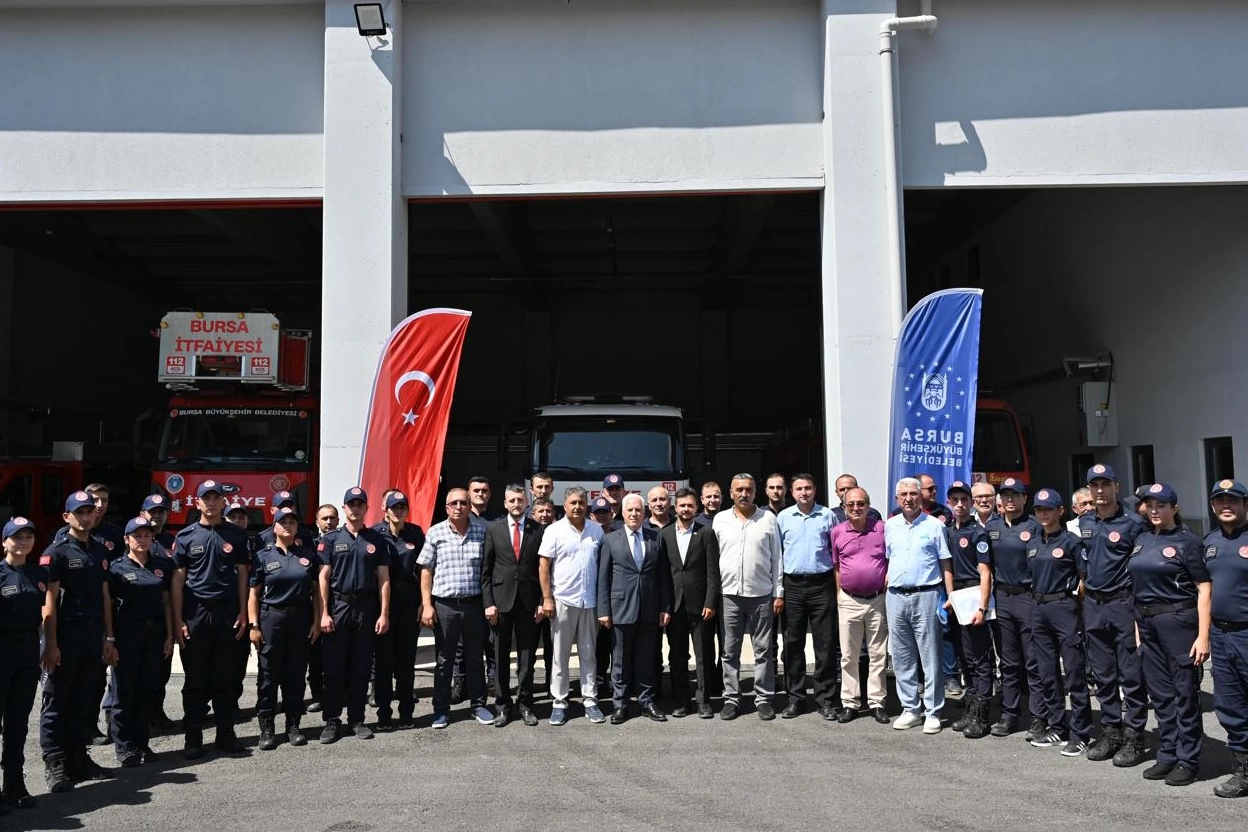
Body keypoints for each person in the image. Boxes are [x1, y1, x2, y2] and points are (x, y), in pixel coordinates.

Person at [1129, 483, 1210, 787]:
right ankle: (1168, 753)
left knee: (1184, 693)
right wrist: (1138, 630)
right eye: (1149, 505)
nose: (1154, 510)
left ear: (1174, 508)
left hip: (1178, 622)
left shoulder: (1188, 541)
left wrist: (1203, 636)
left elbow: (1204, 587)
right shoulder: (1142, 538)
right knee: (1161, 695)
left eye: (1161, 505)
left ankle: (1188, 759)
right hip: (1147, 623)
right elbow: (1137, 588)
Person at [40, 491, 118, 791]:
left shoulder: (98, 550)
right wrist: (50, 642)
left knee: (84, 699)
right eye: (79, 512)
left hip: (93, 634)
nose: (86, 517)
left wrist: (109, 636)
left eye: (89, 511)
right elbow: (49, 600)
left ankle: (77, 758)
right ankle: (55, 763)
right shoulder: (56, 552)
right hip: (66, 635)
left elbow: (105, 596)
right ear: (67, 517)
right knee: (56, 700)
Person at [171, 480, 251, 760]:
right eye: (206, 498)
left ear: (223, 502)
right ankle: (193, 735)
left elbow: (243, 575)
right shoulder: (185, 536)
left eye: (216, 497)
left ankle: (225, 734)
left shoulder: (236, 535)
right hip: (195, 614)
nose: (212, 502)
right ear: (197, 503)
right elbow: (178, 580)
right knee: (195, 678)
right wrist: (178, 619)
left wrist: (243, 612)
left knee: (224, 676)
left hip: (227, 613)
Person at [1080, 464, 1151, 767]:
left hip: (1123, 605)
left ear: (1116, 487)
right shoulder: (1084, 522)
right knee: (1103, 674)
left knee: (1131, 675)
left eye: (1105, 484)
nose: (1100, 490)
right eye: (1094, 485)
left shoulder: (1134, 524)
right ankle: (1112, 731)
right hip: (1094, 605)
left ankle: (1135, 736)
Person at [317, 487, 392, 743]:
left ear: (366, 508)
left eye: (360, 504)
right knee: (334, 668)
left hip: (366, 608)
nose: (355, 508)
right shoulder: (330, 539)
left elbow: (384, 578)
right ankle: (332, 720)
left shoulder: (376, 540)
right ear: (344, 508)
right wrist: (324, 613)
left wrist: (384, 614)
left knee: (361, 667)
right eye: (351, 504)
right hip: (339, 607)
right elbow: (323, 578)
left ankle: (357, 719)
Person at [883, 477, 953, 734]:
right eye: (904, 494)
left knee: (930, 656)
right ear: (897, 499)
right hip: (896, 596)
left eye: (913, 493)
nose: (909, 498)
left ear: (920, 496)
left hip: (927, 594)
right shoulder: (890, 526)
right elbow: (889, 559)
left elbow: (945, 562)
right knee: (902, 656)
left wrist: (950, 595)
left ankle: (933, 711)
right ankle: (910, 709)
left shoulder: (935, 525)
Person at [1026, 489, 1093, 757]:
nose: (1043, 514)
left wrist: (1076, 607)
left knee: (1074, 672)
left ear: (1060, 511)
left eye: (1048, 509)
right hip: (1038, 607)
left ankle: (1080, 733)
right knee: (1047, 673)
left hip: (1064, 607)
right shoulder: (1032, 543)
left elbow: (1084, 579)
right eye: (1039, 509)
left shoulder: (1072, 542)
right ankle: (1057, 726)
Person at [248, 507, 321, 750]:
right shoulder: (263, 556)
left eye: (292, 522)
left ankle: (293, 725)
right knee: (269, 675)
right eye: (283, 522)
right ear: (274, 527)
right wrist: (254, 625)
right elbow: (253, 595)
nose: (288, 525)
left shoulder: (308, 555)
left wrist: (316, 621)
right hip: (272, 618)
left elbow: (317, 593)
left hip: (300, 618)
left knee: (295, 674)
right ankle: (267, 728)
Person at [597, 494, 673, 723]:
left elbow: (663, 576)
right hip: (620, 609)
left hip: (649, 609)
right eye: (629, 510)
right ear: (622, 513)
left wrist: (665, 607)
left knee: (646, 659)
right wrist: (604, 610)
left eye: (638, 510)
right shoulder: (610, 539)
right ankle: (620, 704)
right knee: (620, 661)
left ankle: (646, 701)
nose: (634, 514)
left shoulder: (655, 538)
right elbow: (603, 578)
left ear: (644, 513)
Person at [713, 474, 783, 721]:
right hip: (728, 595)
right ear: (730, 493)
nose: (744, 494)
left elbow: (777, 558)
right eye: (739, 490)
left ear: (755, 492)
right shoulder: (720, 520)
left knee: (763, 650)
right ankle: (732, 698)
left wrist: (778, 592)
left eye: (749, 490)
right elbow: (713, 559)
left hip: (761, 594)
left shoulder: (768, 519)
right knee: (729, 650)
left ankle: (763, 699)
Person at [420, 487, 490, 729]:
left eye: (463, 502)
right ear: (446, 507)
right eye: (454, 503)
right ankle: (440, 710)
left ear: (470, 506)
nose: (458, 507)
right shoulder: (435, 532)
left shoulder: (482, 531)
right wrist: (427, 605)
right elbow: (426, 570)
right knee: (444, 660)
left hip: (474, 605)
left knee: (475, 657)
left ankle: (479, 705)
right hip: (445, 606)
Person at [107, 517, 173, 766]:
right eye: (137, 536)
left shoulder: (161, 566)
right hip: (127, 634)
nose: (142, 540)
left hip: (154, 634)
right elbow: (108, 606)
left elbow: (166, 602)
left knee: (146, 691)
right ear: (127, 539)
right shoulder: (116, 568)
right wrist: (109, 639)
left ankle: (142, 743)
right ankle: (124, 747)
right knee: (124, 692)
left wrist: (169, 635)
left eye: (147, 535)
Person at [984, 478, 1046, 739]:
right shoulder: (992, 526)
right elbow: (985, 565)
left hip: (1027, 597)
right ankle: (1009, 714)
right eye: (1005, 495)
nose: (1010, 499)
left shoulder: (1035, 526)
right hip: (1002, 598)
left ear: (1024, 498)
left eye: (1015, 495)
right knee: (1008, 662)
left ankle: (1039, 717)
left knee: (1033, 661)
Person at [538, 487, 605, 726]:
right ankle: (559, 702)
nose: (577, 506)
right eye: (573, 502)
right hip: (563, 601)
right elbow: (543, 566)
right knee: (560, 655)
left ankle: (590, 700)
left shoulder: (596, 530)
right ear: (564, 505)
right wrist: (547, 598)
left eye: (581, 502)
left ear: (587, 505)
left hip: (590, 602)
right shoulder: (554, 531)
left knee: (589, 653)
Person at [0, 517, 54, 811]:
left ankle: (14, 784)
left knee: (18, 722)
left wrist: (48, 645)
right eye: (17, 537)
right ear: (4, 542)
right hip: (3, 650)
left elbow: (45, 614)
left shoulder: (37, 573)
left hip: (27, 652)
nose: (23, 542)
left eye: (28, 537)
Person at [776, 474, 838, 720]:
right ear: (791, 492)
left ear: (815, 490)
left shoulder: (827, 515)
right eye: (799, 488)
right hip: (792, 585)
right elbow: (777, 556)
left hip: (822, 584)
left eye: (808, 488)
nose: (804, 492)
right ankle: (796, 699)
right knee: (793, 643)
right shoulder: (783, 517)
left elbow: (836, 551)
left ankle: (825, 700)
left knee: (825, 644)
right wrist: (779, 591)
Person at [482, 485, 544, 727]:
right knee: (499, 657)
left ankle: (526, 705)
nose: (516, 504)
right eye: (512, 500)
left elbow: (543, 570)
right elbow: (485, 571)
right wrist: (489, 603)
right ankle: (502, 706)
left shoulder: (537, 529)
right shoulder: (493, 529)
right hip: (501, 603)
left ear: (527, 503)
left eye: (520, 500)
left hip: (529, 602)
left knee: (527, 657)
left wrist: (542, 601)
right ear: (505, 503)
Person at [1203, 479, 1248, 798]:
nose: (1226, 505)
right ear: (1213, 506)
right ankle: (1244, 771)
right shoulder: (1209, 542)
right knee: (1230, 705)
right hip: (1220, 635)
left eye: (1233, 500)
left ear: (1246, 504)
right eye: (1220, 501)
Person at [659, 487, 720, 718]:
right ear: (675, 508)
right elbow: (663, 575)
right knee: (677, 656)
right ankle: (682, 701)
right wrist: (664, 607)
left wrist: (710, 602)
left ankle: (703, 701)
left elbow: (713, 572)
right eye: (682, 505)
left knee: (703, 655)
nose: (686, 509)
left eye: (690, 505)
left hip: (700, 605)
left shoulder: (706, 533)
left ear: (696, 508)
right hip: (674, 607)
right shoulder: (665, 534)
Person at [830, 487, 889, 725]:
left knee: (878, 654)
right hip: (849, 600)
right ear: (844, 507)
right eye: (851, 504)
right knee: (848, 655)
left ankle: (876, 702)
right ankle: (850, 702)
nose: (856, 508)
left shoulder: (882, 529)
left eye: (861, 503)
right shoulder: (837, 532)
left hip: (877, 600)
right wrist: (839, 595)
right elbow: (836, 566)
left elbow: (890, 558)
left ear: (868, 505)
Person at [942, 481, 993, 739]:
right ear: (949, 503)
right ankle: (970, 708)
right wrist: (951, 596)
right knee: (964, 656)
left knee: (980, 657)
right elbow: (947, 566)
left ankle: (982, 715)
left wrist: (982, 607)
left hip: (974, 594)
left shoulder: (978, 532)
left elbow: (986, 573)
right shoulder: (948, 530)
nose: (960, 504)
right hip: (958, 597)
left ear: (971, 503)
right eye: (955, 500)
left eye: (964, 499)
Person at [371, 490, 425, 730]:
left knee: (406, 661)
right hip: (383, 604)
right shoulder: (374, 534)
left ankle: (406, 713)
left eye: (402, 507)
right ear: (386, 509)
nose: (398, 511)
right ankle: (384, 714)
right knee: (383, 662)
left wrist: (424, 602)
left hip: (409, 602)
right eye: (394, 507)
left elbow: (424, 570)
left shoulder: (415, 533)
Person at [306, 503, 339, 715]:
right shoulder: (309, 545)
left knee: (339, 654)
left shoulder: (344, 540)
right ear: (317, 521)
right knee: (315, 654)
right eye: (324, 518)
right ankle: (318, 695)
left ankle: (340, 693)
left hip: (340, 604)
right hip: (315, 605)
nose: (328, 522)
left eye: (332, 518)